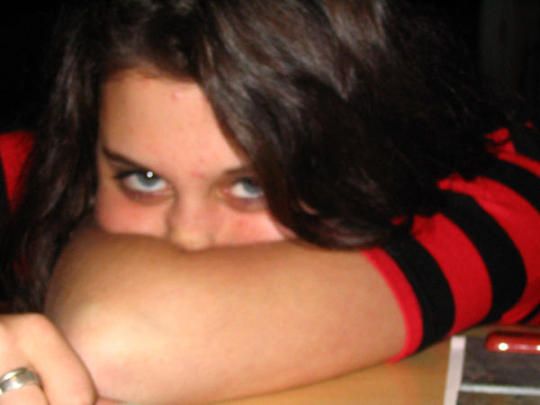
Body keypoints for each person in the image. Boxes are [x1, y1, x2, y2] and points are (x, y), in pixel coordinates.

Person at [0, 0, 539, 403]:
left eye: (251, 186)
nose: (190, 235)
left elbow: (115, 335)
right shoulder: (37, 179)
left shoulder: (509, 184)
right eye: (142, 178)